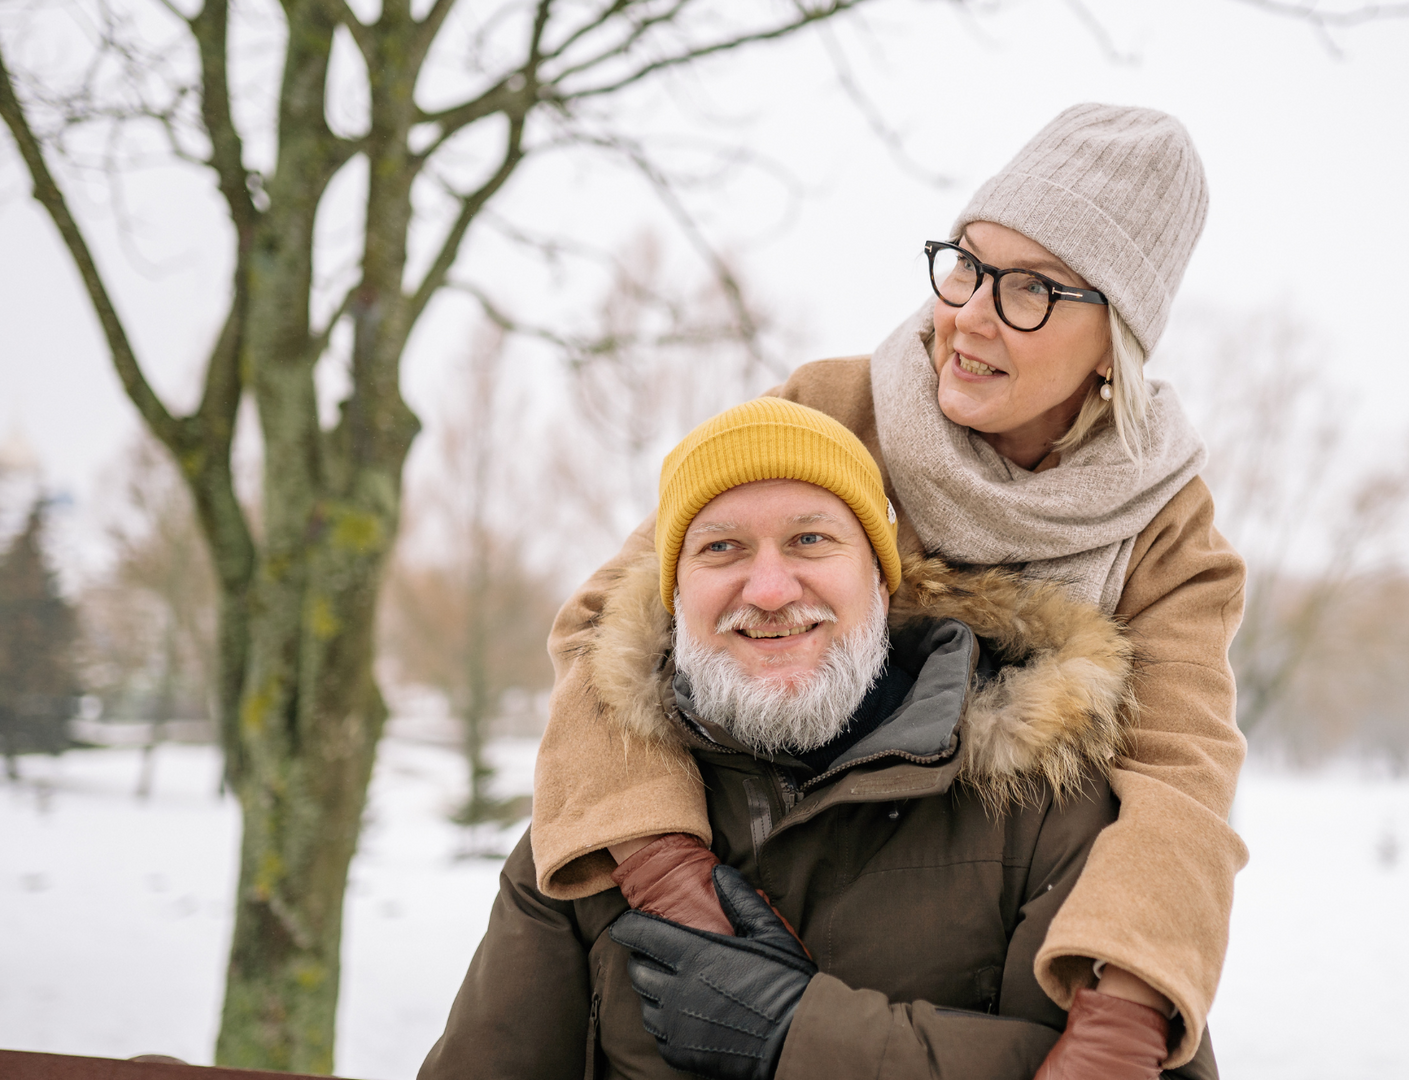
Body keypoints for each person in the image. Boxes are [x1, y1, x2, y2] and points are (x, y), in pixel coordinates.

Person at [531, 103, 1248, 1074]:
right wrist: (666, 866)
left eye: (1032, 289)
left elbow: (1179, 785)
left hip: (991, 921)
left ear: (1114, 340)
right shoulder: (832, 411)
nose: (970, 315)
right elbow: (607, 627)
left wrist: (1119, 1018)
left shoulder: (1164, 530)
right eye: (967, 263)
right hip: (770, 860)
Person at [421, 400, 1216, 1079]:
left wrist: (800, 1036)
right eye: (721, 548)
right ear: (674, 596)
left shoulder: (1047, 807)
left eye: (810, 540)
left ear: (880, 579)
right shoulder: (600, 827)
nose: (769, 590)